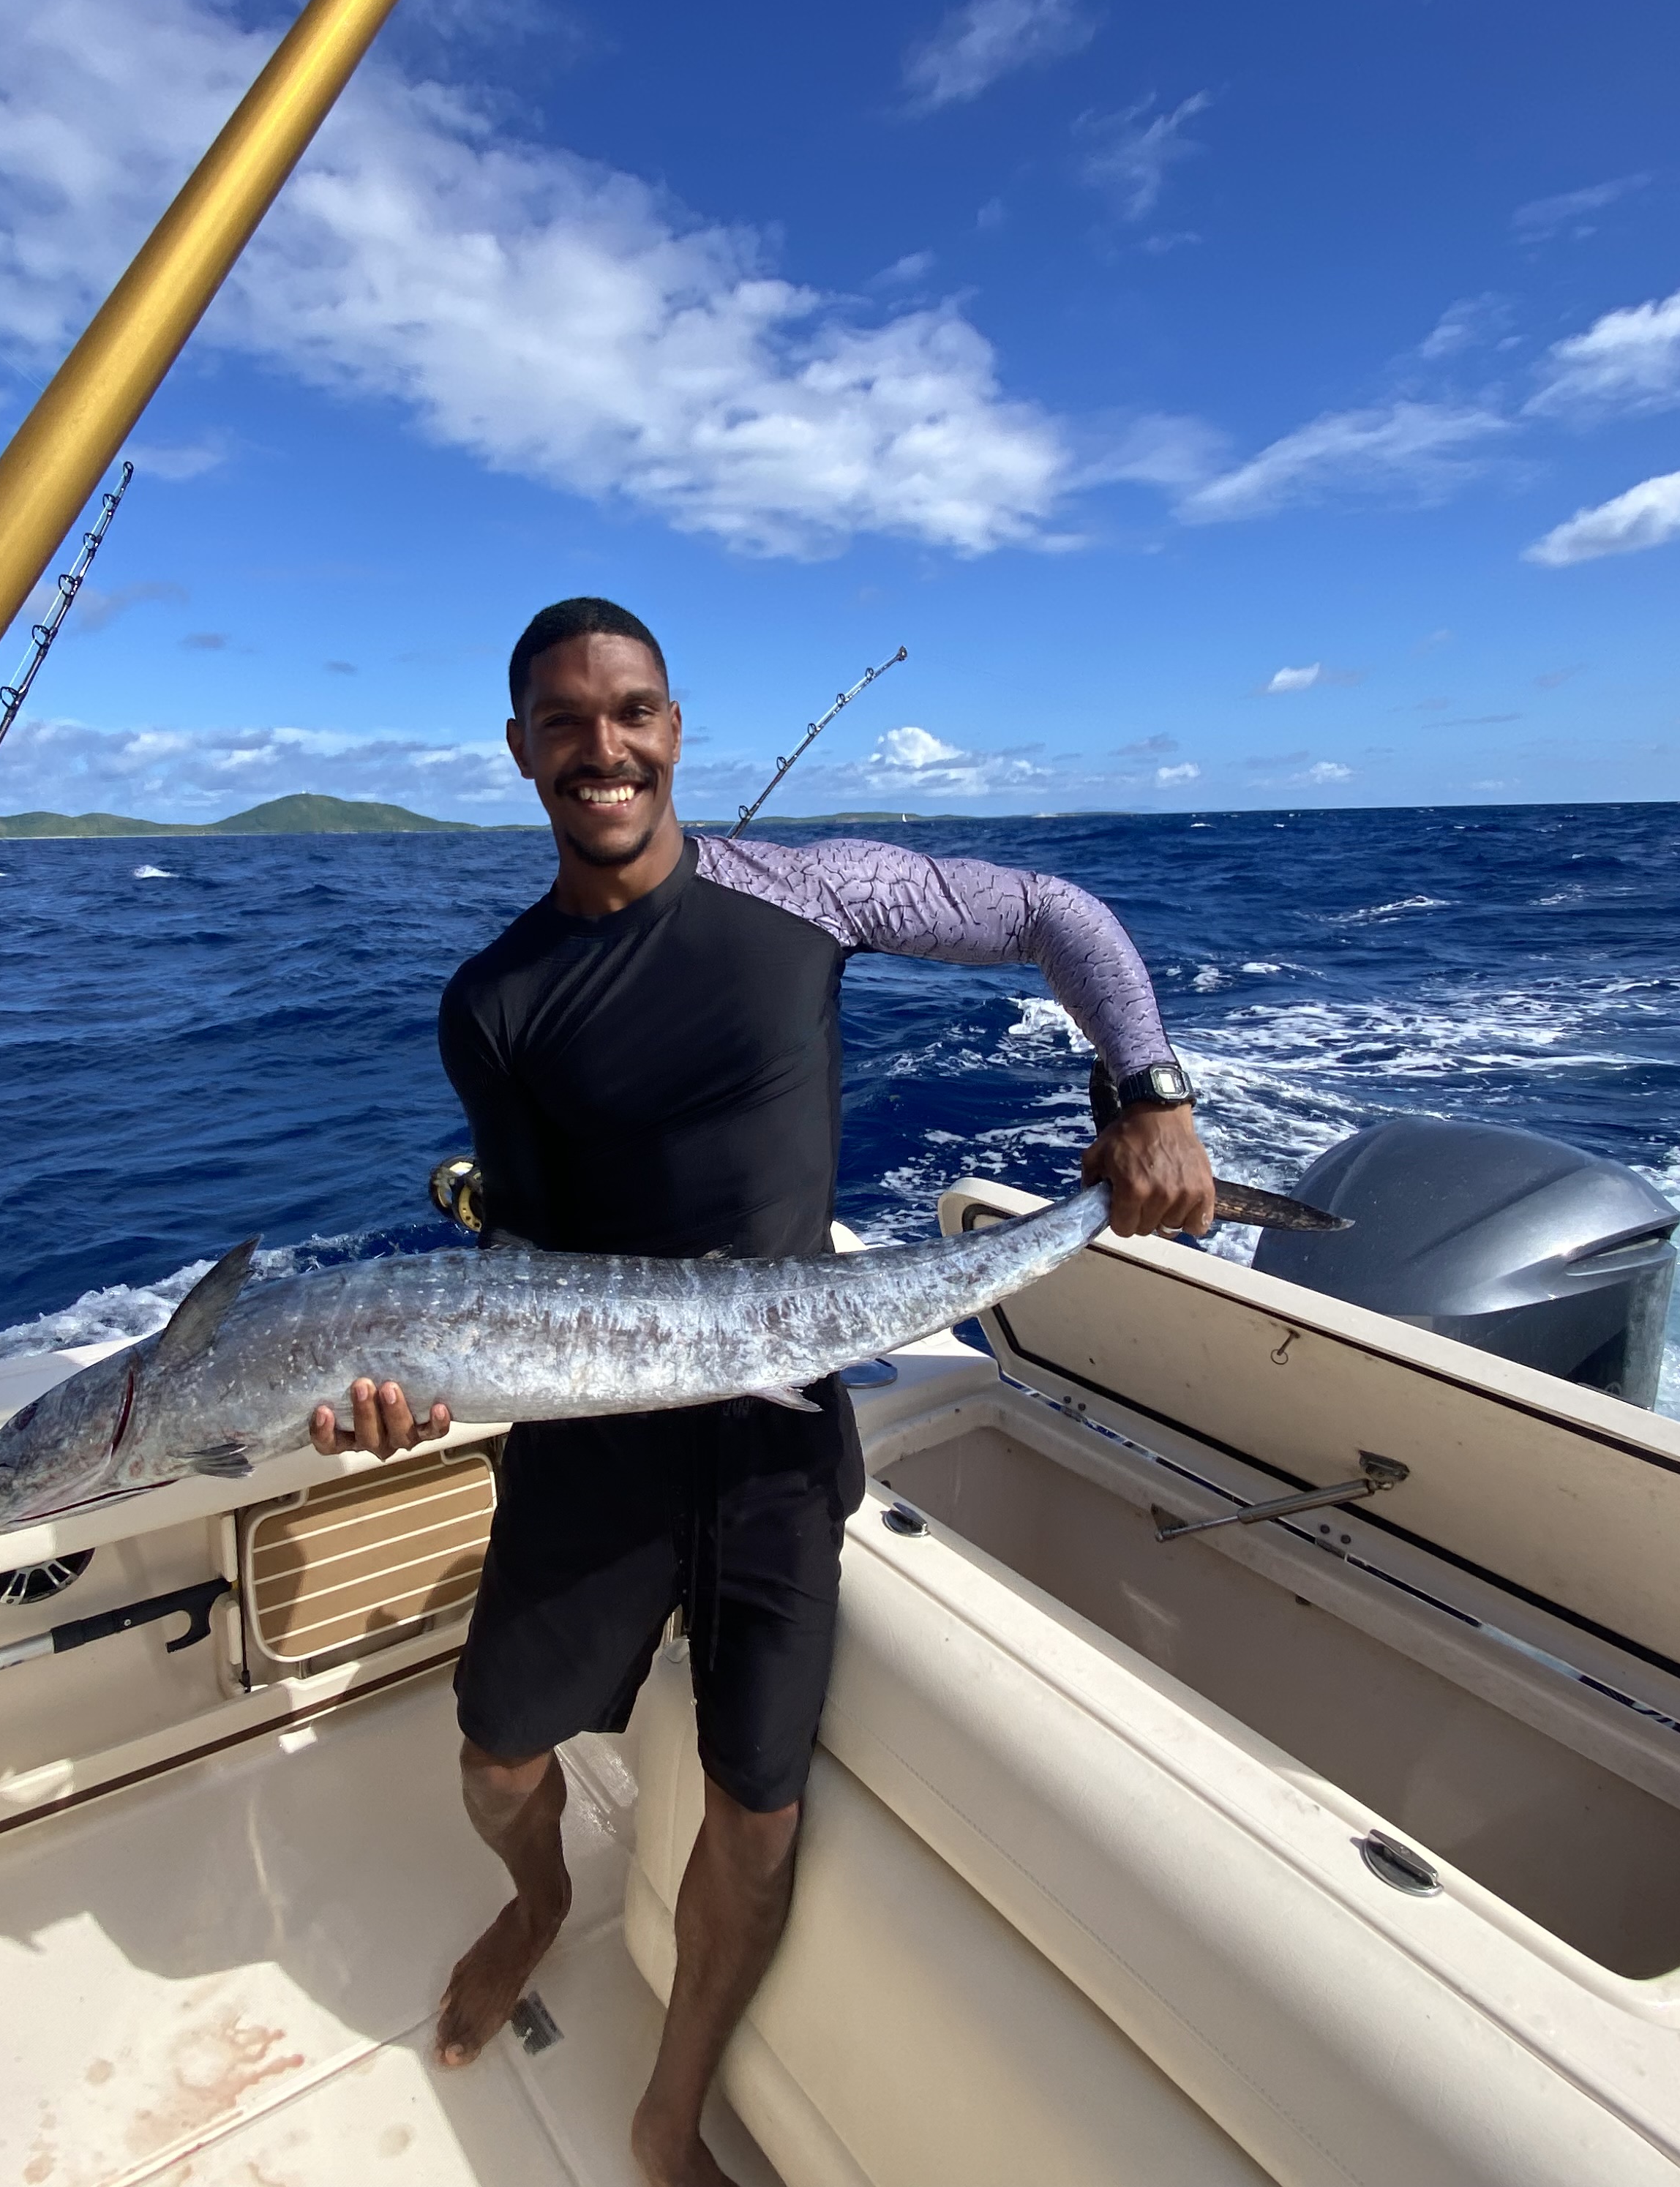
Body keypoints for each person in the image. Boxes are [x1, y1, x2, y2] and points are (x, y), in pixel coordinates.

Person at [309, 596, 1215, 2187]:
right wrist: (421, 1385)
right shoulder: (492, 1000)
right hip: (594, 1438)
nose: (606, 749)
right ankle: (539, 1902)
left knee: (759, 1807)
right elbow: (520, 1250)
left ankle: (669, 2111)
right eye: (568, 723)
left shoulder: (807, 892)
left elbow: (1061, 919)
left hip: (778, 1439)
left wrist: (1142, 1093)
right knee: (498, 1761)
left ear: (674, 729)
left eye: (635, 713)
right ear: (520, 750)